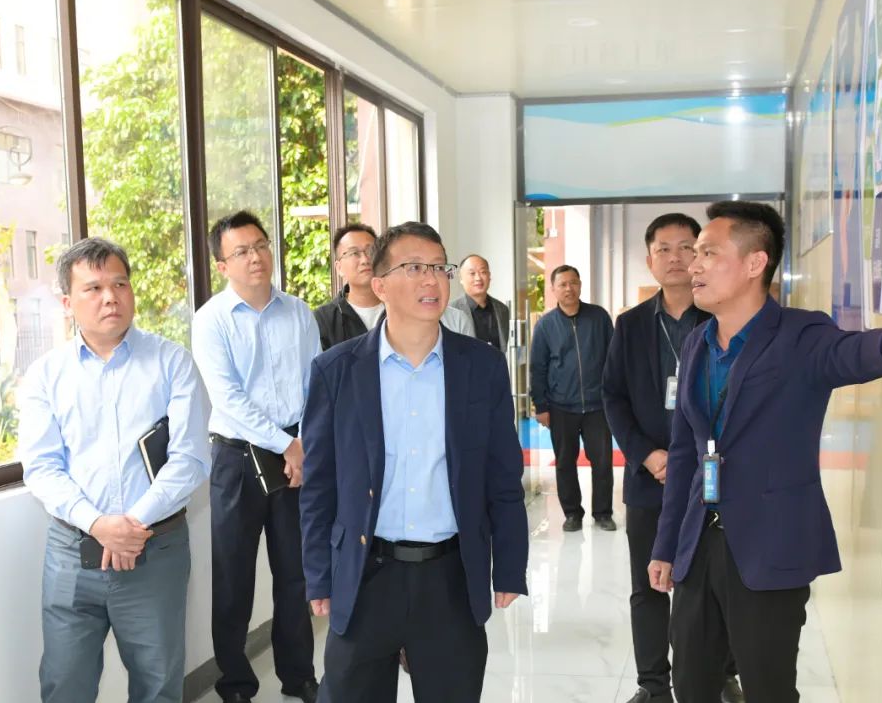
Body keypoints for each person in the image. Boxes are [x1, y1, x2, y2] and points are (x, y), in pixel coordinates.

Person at [647, 201, 882, 703]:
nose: (693, 264)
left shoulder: (799, 334)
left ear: (755, 263)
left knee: (769, 688)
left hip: (770, 545)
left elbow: (846, 353)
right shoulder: (697, 343)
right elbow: (684, 453)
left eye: (708, 252)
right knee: (690, 684)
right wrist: (666, 545)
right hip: (698, 545)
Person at [300, 222, 529, 702]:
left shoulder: (482, 366)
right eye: (414, 267)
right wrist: (319, 574)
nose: (432, 279)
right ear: (379, 285)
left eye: (440, 268)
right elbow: (320, 485)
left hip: (450, 577)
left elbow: (503, 476)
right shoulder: (336, 370)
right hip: (366, 574)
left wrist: (510, 565)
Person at [19, 237, 211, 703]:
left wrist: (131, 526)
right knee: (64, 684)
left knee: (158, 685)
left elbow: (190, 458)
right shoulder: (46, 375)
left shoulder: (172, 362)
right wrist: (99, 524)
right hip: (72, 552)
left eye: (120, 284)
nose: (110, 297)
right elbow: (42, 466)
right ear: (68, 303)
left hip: (155, 549)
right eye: (94, 288)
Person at [603, 214, 744, 703]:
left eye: (688, 247)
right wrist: (646, 454)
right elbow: (613, 396)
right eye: (664, 249)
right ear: (650, 260)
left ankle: (721, 674)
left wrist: (693, 461)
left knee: (712, 584)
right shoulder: (630, 325)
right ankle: (652, 684)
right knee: (648, 584)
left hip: (712, 479)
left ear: (702, 256)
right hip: (650, 478)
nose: (676, 257)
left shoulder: (723, 319)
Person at [192, 211, 320, 703]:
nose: (256, 257)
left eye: (261, 245)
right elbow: (227, 398)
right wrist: (286, 445)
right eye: (242, 251)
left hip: (295, 455)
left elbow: (314, 383)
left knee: (295, 574)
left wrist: (301, 443)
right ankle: (236, 683)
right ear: (222, 265)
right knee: (233, 577)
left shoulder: (299, 312)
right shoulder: (211, 320)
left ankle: (299, 675)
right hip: (237, 460)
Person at [530, 265, 616, 532]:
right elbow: (538, 367)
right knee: (565, 463)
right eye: (563, 284)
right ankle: (572, 513)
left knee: (602, 462)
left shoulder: (599, 318)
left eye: (573, 283)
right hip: (561, 406)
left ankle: (603, 513)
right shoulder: (545, 325)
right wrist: (541, 406)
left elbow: (614, 358)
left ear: (580, 285)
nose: (569, 289)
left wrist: (615, 397)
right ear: (553, 289)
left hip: (597, 405)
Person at [314, 223, 474, 350]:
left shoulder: (415, 310)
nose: (365, 259)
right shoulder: (323, 320)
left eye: (370, 251)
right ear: (338, 267)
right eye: (354, 253)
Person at [449, 254, 510, 350]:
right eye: (472, 273)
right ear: (461, 278)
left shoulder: (502, 309)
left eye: (483, 272)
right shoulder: (451, 311)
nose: (478, 278)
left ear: (489, 276)